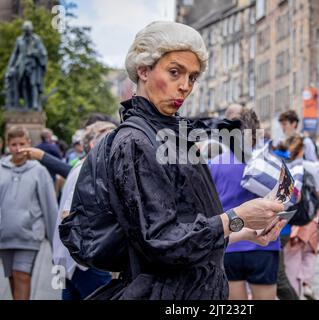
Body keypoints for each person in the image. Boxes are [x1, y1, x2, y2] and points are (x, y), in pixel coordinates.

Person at [84, 21, 285, 300]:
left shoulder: (171, 134)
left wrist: (246, 230)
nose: (185, 86)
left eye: (192, 77)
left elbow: (192, 234)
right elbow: (163, 242)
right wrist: (237, 216)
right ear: (143, 70)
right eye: (175, 72)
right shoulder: (137, 141)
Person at [209, 108, 286, 300]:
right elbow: (291, 197)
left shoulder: (214, 163)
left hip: (229, 244)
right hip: (264, 244)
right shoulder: (272, 163)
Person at [53, 122, 115, 300]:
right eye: (110, 141)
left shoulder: (83, 165)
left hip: (70, 259)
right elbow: (68, 215)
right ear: (94, 145)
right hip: (84, 263)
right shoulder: (90, 170)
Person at [0, 126, 58, 300]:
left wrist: (56, 242)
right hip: (4, 235)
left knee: (22, 275)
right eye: (13, 144)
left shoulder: (39, 171)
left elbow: (49, 207)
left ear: (29, 144)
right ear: (8, 146)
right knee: (12, 277)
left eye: (22, 144)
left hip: (29, 236)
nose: (18, 149)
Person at [282, 134, 319, 300]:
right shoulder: (313, 166)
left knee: (291, 258)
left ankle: (295, 291)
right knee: (310, 251)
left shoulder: (283, 165)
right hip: (310, 217)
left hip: (290, 217)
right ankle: (306, 283)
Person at [5, 20, 47, 110]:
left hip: (33, 66)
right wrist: (10, 66)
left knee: (33, 84)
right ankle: (27, 104)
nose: (27, 32)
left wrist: (34, 53)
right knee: (24, 85)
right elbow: (15, 54)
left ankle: (35, 104)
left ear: (31, 30)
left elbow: (43, 53)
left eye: (29, 30)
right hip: (22, 65)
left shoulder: (37, 39)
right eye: (26, 30)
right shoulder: (19, 40)